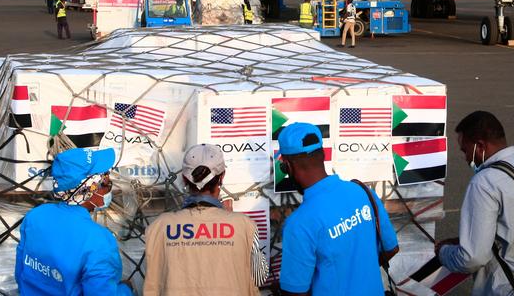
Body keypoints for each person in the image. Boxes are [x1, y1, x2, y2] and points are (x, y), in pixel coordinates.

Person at [437, 111, 514, 296]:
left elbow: (472, 258)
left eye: (465, 150)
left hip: (506, 288)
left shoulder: (484, 183)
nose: (466, 158)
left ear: (480, 146)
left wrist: (443, 252)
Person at [278, 122, 399, 295]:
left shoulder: (299, 223)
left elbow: (295, 292)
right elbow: (391, 248)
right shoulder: (363, 192)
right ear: (323, 154)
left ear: (288, 166)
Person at [144, 144, 268, 295]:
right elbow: (259, 278)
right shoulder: (243, 225)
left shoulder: (159, 226)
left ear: (184, 179)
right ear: (222, 176)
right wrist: (229, 217)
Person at [15, 147, 132, 295]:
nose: (109, 190)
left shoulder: (35, 216)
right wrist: (126, 290)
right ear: (89, 190)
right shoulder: (99, 241)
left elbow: (21, 274)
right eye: (107, 184)